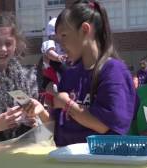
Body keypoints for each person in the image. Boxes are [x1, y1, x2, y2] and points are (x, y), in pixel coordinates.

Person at [49, 0, 136, 146]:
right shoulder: (70, 74)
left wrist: (67, 104)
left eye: (64, 36)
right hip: (68, 161)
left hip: (100, 163)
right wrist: (39, 113)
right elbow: (58, 126)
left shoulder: (114, 71)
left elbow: (104, 125)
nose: (60, 45)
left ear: (85, 29)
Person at [0, 13, 49, 142]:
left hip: (24, 149)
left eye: (8, 43)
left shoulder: (27, 77)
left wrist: (34, 121)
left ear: (16, 44)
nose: (2, 49)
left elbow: (46, 131)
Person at [37, 17, 67, 94]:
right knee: (56, 84)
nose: (62, 37)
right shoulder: (49, 42)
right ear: (52, 35)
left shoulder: (62, 43)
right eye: (60, 34)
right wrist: (57, 57)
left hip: (59, 66)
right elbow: (49, 52)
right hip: (51, 69)